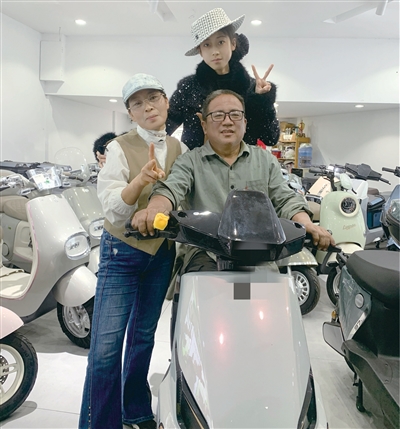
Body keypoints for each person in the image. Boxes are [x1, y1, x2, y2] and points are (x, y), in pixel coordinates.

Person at [79, 73, 187, 429]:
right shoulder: (118, 148)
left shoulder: (179, 149)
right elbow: (112, 209)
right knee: (105, 348)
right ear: (130, 114)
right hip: (121, 253)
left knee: (142, 337)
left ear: (166, 102)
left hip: (161, 254)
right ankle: (99, 424)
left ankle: (135, 410)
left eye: (153, 98)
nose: (148, 107)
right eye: (137, 104)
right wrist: (140, 180)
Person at [132, 89, 335, 263]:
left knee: (276, 293)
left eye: (235, 115)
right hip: (205, 255)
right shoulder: (189, 161)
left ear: (244, 122)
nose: (227, 122)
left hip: (260, 256)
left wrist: (306, 224)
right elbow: (171, 188)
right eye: (218, 115)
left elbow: (286, 198)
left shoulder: (265, 160)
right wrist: (154, 209)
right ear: (204, 125)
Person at [166, 7, 280, 150]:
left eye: (220, 42)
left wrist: (263, 101)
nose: (215, 51)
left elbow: (270, 138)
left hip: (243, 163)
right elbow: (165, 127)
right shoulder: (188, 88)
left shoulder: (252, 88)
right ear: (200, 51)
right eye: (207, 45)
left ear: (233, 44)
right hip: (196, 162)